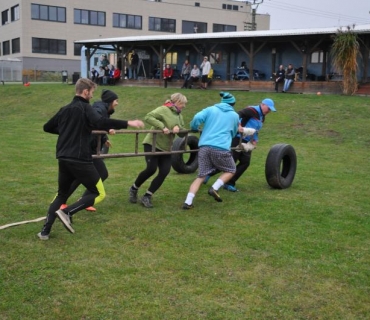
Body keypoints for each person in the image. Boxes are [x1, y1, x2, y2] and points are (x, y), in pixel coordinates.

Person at [37, 78, 144, 240]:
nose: (93, 96)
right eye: (92, 93)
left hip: (63, 157)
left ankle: (44, 231)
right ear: (85, 92)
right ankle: (66, 212)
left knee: (61, 194)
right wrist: (129, 122)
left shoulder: (65, 109)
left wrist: (67, 132)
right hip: (80, 158)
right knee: (98, 192)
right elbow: (100, 122)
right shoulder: (85, 108)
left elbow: (48, 127)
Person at [59, 89, 122, 213]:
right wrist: (108, 127)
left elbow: (97, 124)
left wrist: (104, 138)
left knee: (90, 176)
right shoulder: (99, 108)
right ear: (110, 101)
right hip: (86, 148)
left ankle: (83, 200)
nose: (117, 103)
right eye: (116, 100)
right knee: (97, 174)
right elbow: (96, 120)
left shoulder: (104, 110)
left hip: (90, 147)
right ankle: (70, 201)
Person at [129, 93, 188, 208]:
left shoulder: (179, 116)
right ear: (176, 102)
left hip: (166, 148)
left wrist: (179, 129)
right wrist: (163, 127)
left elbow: (182, 132)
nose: (184, 106)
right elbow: (148, 117)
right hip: (152, 144)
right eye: (183, 103)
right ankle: (133, 188)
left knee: (165, 171)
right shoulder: (163, 109)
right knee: (151, 169)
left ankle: (147, 196)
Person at [182, 92, 239, 209]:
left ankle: (188, 202)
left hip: (204, 147)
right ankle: (214, 188)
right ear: (232, 104)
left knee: (201, 175)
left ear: (222, 101)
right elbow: (234, 132)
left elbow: (197, 117)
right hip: (221, 148)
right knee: (231, 169)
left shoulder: (211, 109)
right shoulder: (234, 115)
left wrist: (194, 127)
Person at [206, 98, 277, 192]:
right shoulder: (251, 110)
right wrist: (238, 125)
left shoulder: (262, 117)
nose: (269, 111)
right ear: (263, 105)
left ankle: (229, 183)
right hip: (237, 138)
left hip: (248, 142)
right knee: (230, 162)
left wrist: (255, 140)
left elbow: (256, 130)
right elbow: (236, 115)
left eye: (270, 110)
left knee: (245, 162)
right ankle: (208, 174)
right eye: (268, 109)